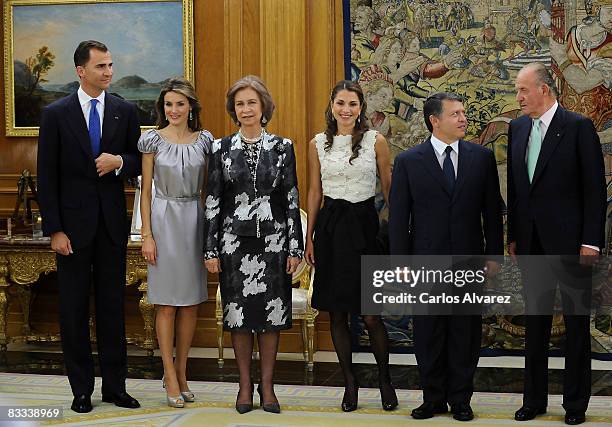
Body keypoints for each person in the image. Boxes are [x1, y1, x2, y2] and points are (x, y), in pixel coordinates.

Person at [37, 40, 141, 413]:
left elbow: (139, 161)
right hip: (72, 232)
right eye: (101, 67)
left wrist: (120, 162)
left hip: (112, 227)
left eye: (111, 65)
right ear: (81, 71)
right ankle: (81, 390)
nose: (109, 72)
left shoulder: (125, 111)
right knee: (74, 310)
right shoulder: (56, 114)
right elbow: (46, 177)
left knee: (113, 309)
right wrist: (55, 230)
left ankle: (115, 387)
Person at [389, 92, 503, 421]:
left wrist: (494, 255)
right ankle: (433, 398)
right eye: (455, 113)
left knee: (464, 334)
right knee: (429, 333)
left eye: (464, 112)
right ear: (434, 120)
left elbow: (492, 211)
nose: (463, 118)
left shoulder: (481, 158)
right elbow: (399, 217)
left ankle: (461, 400)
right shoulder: (409, 161)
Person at [508, 63, 606, 426]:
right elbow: (516, 189)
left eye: (522, 90)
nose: (518, 97)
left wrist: (591, 243)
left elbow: (595, 192)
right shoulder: (517, 129)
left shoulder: (578, 127)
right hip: (530, 244)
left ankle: (575, 405)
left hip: (573, 246)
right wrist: (514, 238)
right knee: (535, 324)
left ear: (544, 90)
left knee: (577, 327)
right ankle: (532, 401)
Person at [204, 75, 303, 414]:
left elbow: (291, 198)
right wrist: (210, 250)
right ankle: (245, 386)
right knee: (240, 316)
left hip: (274, 244)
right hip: (233, 245)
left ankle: (269, 388)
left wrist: (295, 248)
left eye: (251, 103)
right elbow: (213, 201)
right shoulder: (220, 147)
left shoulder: (282, 147)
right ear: (234, 109)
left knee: (272, 317)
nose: (246, 109)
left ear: (263, 108)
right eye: (240, 103)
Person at [305, 80, 397, 412]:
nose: (346, 110)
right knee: (338, 313)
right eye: (341, 103)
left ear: (361, 108)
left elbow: (388, 188)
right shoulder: (317, 143)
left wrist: (397, 232)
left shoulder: (377, 140)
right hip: (330, 229)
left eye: (353, 104)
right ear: (331, 106)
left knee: (371, 315)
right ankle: (350, 383)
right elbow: (314, 192)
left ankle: (385, 381)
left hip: (364, 228)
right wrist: (309, 238)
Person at [138, 78, 213, 408]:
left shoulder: (205, 141)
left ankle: (182, 373)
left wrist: (211, 236)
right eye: (169, 104)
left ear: (191, 107)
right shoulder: (151, 140)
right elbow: (145, 192)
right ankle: (168, 374)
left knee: (191, 303)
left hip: (195, 220)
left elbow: (209, 192)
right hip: (163, 220)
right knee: (166, 303)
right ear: (162, 107)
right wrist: (147, 235)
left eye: (180, 104)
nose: (174, 110)